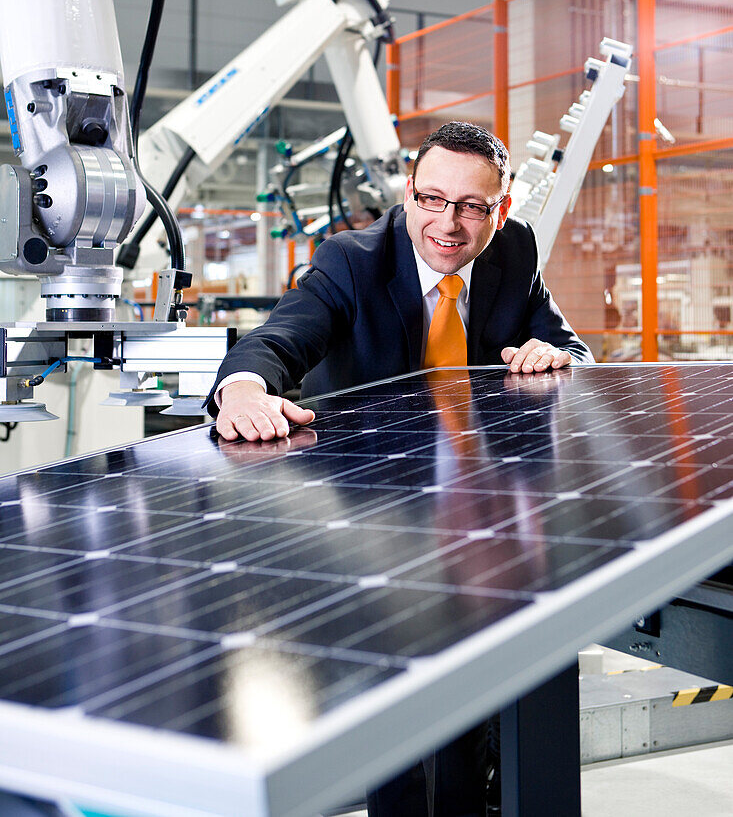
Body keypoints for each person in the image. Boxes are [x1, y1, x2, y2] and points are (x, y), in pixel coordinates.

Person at [207, 120, 593, 816]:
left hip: (483, 521)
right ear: (407, 194)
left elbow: (570, 347)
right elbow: (280, 336)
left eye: (472, 206)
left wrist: (554, 355)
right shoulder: (352, 260)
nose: (448, 223)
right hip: (375, 524)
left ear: (500, 209)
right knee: (393, 722)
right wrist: (243, 388)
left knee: (472, 721)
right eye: (431, 199)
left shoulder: (514, 252)